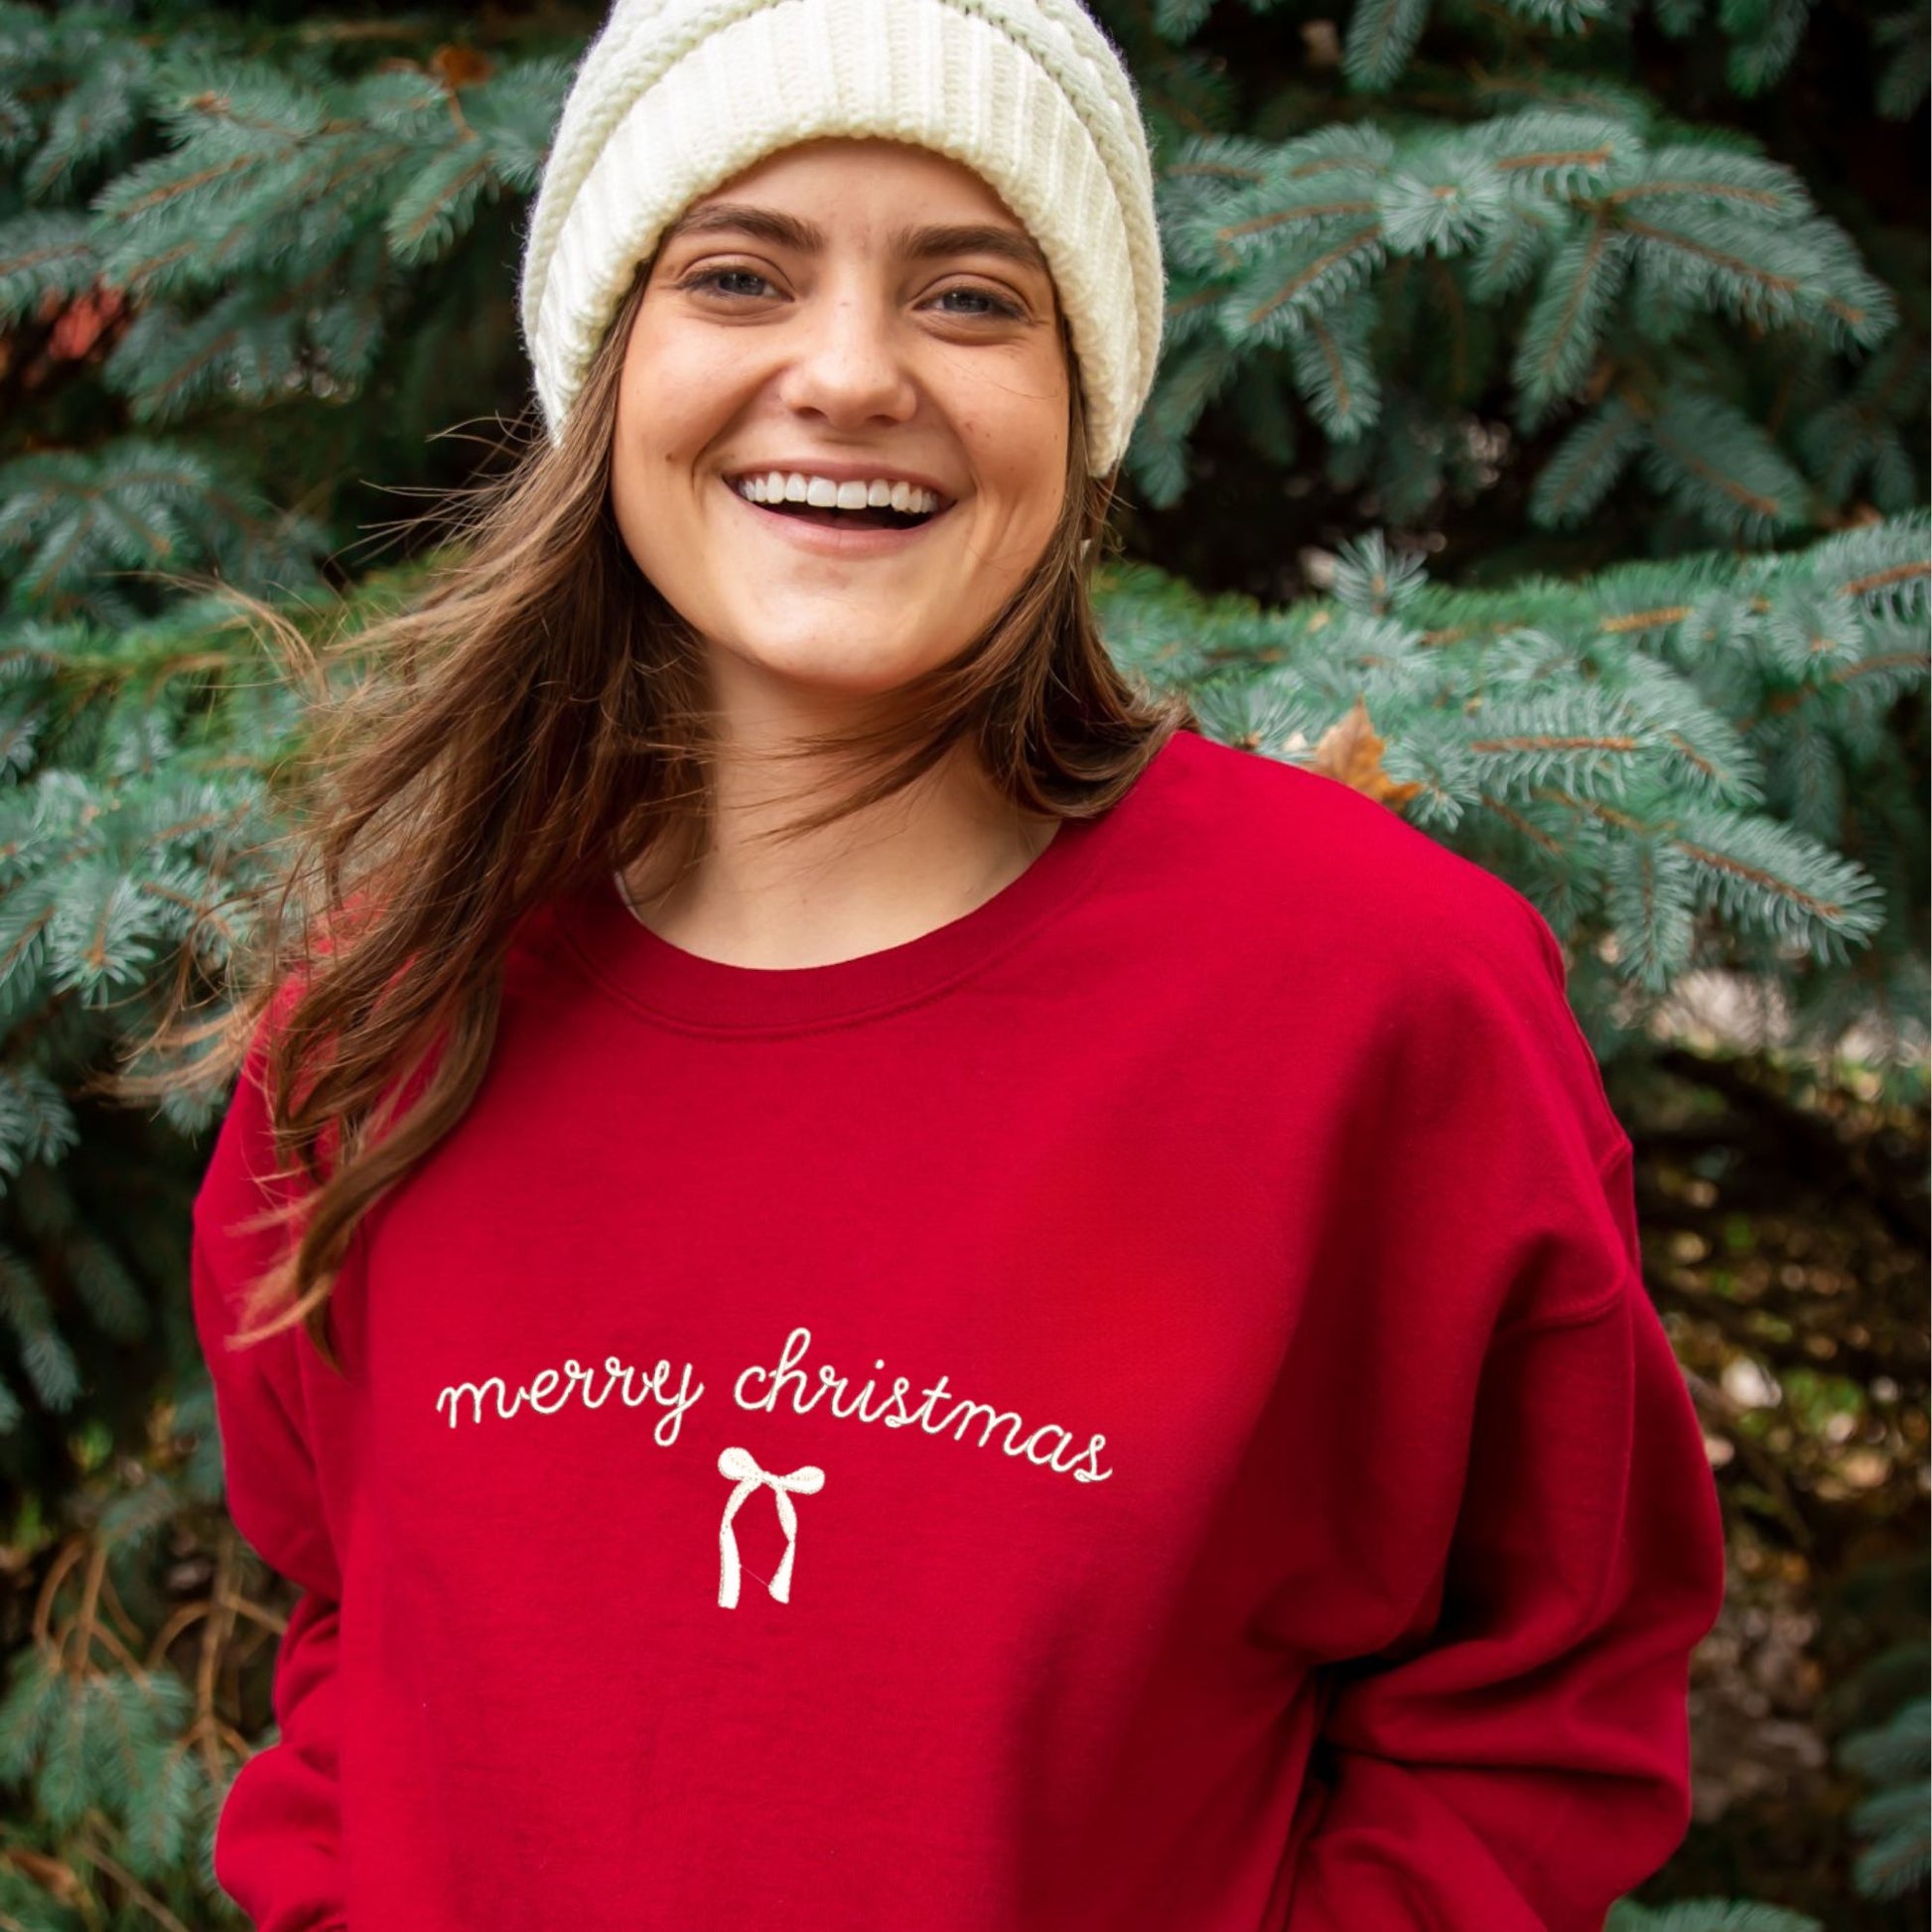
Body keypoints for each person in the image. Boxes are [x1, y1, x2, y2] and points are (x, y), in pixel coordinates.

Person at [184, 0, 1727, 1926]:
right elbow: (355, 1626)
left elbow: (1541, 1704)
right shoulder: (387, 1000)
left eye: (972, 298)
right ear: (605, 370)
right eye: (740, 274)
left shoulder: (1375, 996)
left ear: (1083, 405)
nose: (846, 374)